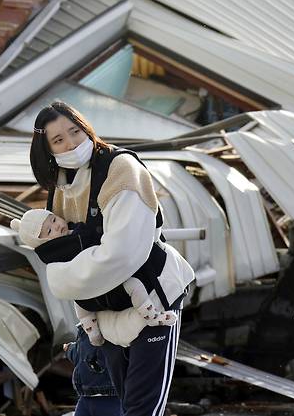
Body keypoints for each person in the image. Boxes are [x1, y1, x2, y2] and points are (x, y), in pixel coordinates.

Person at [28, 101, 195, 416]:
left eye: (75, 131)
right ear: (47, 150)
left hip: (152, 295)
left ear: (87, 128)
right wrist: (68, 273)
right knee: (121, 398)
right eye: (59, 140)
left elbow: (122, 253)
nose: (72, 143)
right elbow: (57, 252)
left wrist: (63, 280)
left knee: (143, 406)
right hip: (106, 308)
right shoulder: (61, 185)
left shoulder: (120, 169)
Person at [10, 209, 177, 347]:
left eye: (53, 220)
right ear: (42, 243)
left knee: (127, 287)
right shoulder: (60, 250)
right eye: (48, 231)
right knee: (84, 301)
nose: (56, 226)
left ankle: (145, 318)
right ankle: (98, 329)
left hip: (102, 291)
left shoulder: (76, 230)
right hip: (99, 292)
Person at [64, 325, 122, 416]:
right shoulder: (84, 329)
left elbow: (92, 357)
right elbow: (82, 358)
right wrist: (69, 350)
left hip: (109, 397)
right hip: (86, 396)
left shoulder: (103, 326)